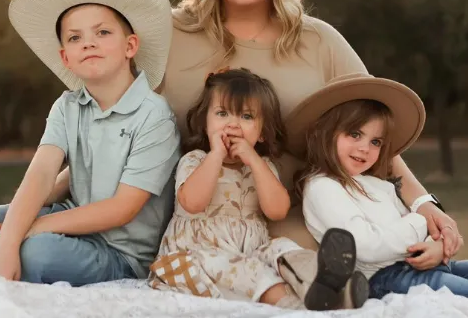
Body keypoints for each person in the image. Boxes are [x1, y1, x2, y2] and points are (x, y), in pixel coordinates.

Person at [49, 0, 462, 293]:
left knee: (396, 275)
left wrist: (426, 205)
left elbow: (375, 135)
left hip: (300, 222)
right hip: (193, 223)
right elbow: (114, 129)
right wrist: (37, 200)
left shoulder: (321, 41)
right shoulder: (168, 36)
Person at [0, 0, 181, 285]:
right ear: (66, 58)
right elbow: (41, 173)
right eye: (75, 38)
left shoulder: (155, 116)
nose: (89, 43)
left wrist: (33, 229)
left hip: (119, 252)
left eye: (103, 32)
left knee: (34, 252)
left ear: (130, 46)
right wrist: (14, 230)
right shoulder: (68, 106)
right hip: (68, 219)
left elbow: (122, 209)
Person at [149, 68, 369, 311]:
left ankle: (325, 280)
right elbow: (192, 203)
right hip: (194, 259)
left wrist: (253, 160)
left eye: (246, 117)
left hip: (251, 253)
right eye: (222, 113)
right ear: (205, 123)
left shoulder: (262, 167)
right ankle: (296, 303)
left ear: (263, 133)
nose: (232, 124)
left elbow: (277, 212)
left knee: (282, 248)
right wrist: (217, 154)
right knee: (246, 269)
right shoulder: (196, 160)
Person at [291, 72, 468, 298]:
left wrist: (436, 246)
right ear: (325, 133)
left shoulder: (378, 185)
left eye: (375, 141)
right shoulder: (322, 187)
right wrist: (420, 220)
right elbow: (364, 245)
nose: (365, 147)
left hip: (420, 265)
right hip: (385, 277)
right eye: (355, 134)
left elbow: (415, 230)